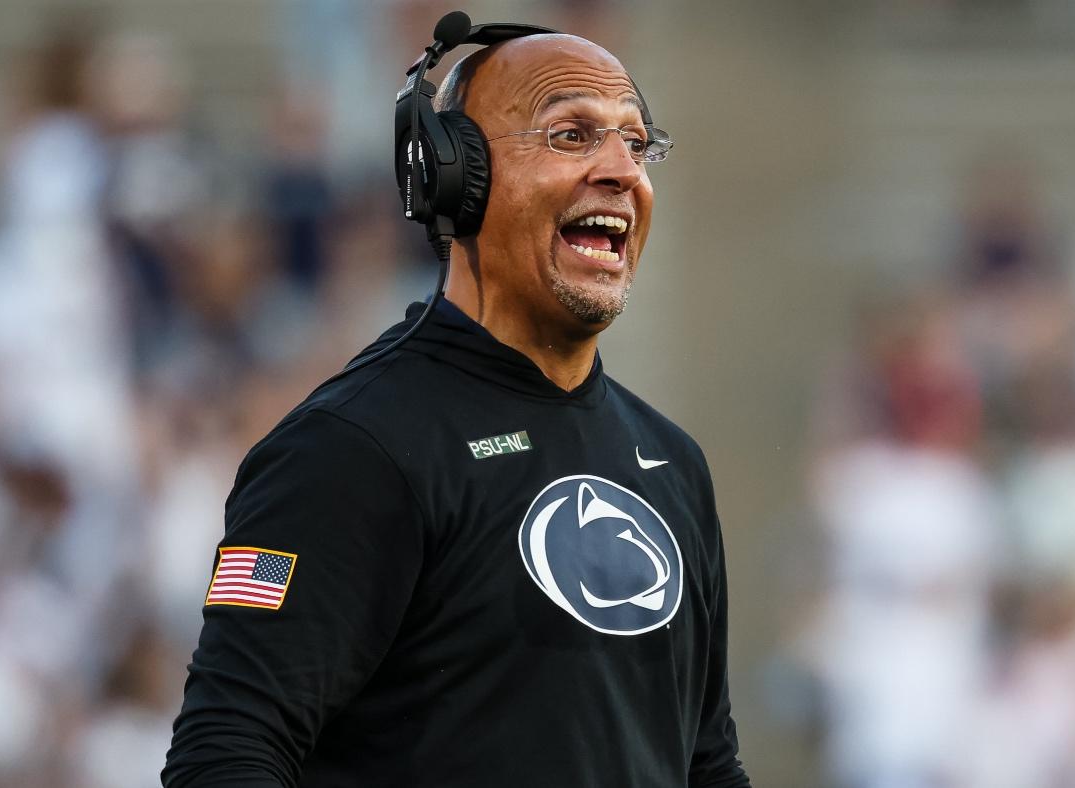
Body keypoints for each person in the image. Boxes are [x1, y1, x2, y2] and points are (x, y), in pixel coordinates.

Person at [163, 24, 749, 788]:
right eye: (571, 135)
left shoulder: (674, 463)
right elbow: (225, 755)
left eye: (636, 146)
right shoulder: (347, 448)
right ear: (454, 176)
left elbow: (707, 765)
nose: (620, 172)